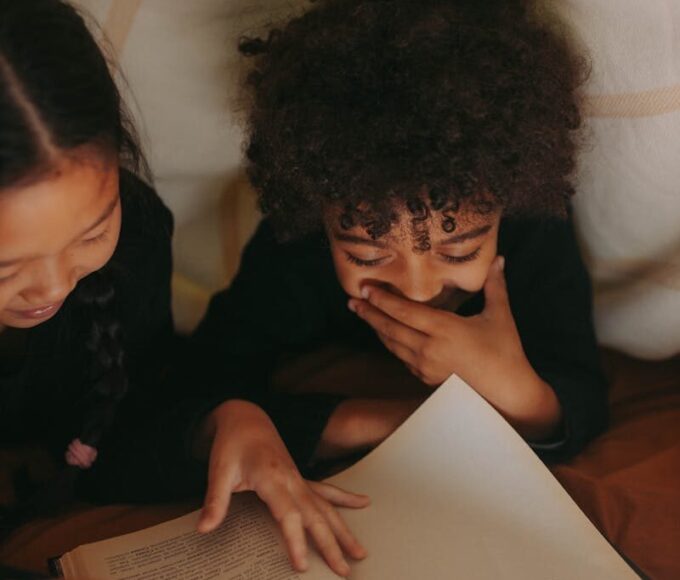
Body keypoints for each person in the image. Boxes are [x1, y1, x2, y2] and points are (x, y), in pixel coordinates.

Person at [0, 1, 367, 576]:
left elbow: (122, 426)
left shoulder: (136, 236)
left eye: (92, 232)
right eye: (5, 268)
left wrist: (222, 423)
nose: (54, 286)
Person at [193, 0, 608, 473]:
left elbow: (581, 394)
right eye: (368, 255)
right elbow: (199, 387)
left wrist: (513, 390)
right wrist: (395, 420)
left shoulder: (530, 225)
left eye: (461, 250)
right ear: (317, 215)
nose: (418, 289)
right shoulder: (298, 247)